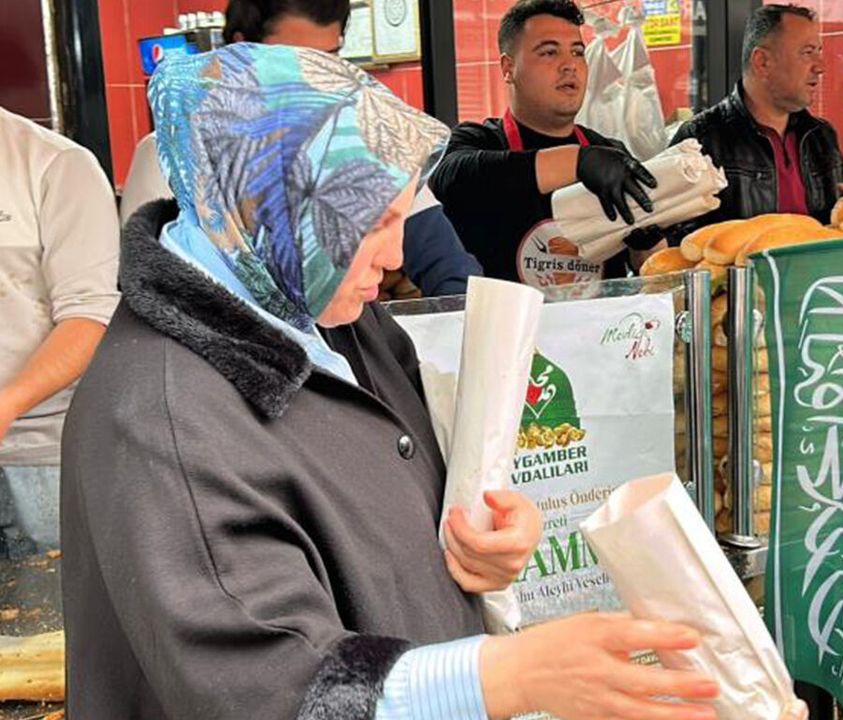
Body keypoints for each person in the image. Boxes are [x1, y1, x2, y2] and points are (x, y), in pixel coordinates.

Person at [62, 43, 765, 720]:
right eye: (373, 222)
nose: (397, 254)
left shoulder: (318, 304)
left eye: (402, 215)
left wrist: (484, 535)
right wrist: (510, 675)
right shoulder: (162, 417)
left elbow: (411, 474)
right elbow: (265, 690)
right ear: (269, 208)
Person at [117, 0, 482, 297]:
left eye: (329, 59)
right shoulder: (171, 158)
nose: (316, 80)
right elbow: (157, 296)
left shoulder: (367, 146)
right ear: (240, 48)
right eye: (295, 59)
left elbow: (453, 276)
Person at [430, 0, 664, 288]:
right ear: (508, 68)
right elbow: (452, 179)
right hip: (508, 319)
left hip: (598, 317)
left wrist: (648, 240)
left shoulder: (610, 153)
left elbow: (650, 271)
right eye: (549, 52)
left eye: (577, 52)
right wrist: (579, 163)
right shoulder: (479, 141)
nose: (569, 65)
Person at [0, 104, 118, 557]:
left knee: (45, 597)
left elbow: (89, 318)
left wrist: (7, 405)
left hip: (39, 458)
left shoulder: (56, 164)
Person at [670, 4, 843, 229]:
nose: (820, 66)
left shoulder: (821, 136)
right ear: (762, 62)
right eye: (807, 52)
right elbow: (673, 237)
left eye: (819, 52)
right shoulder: (700, 139)